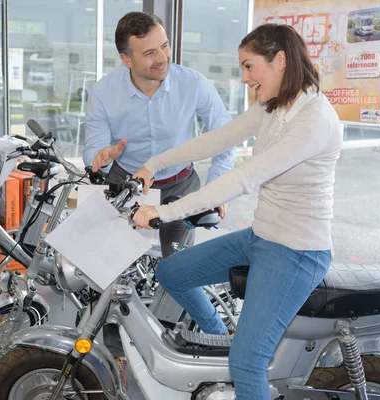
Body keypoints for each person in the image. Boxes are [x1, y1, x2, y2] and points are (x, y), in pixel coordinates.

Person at [132, 24, 343, 399]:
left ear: (279, 61)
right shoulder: (274, 104)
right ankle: (218, 336)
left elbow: (245, 177)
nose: (244, 78)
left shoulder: (315, 120)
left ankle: (237, 351)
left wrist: (165, 212)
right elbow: (217, 139)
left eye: (249, 67)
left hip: (297, 252)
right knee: (171, 272)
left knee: (247, 362)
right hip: (261, 236)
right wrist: (154, 163)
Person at [83, 11, 235, 258]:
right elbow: (93, 150)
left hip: (180, 189)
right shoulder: (103, 92)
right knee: (116, 267)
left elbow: (226, 137)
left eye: (164, 46)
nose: (163, 58)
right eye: (149, 53)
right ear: (127, 59)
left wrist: (215, 189)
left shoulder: (193, 84)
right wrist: (100, 156)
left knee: (176, 269)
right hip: (126, 186)